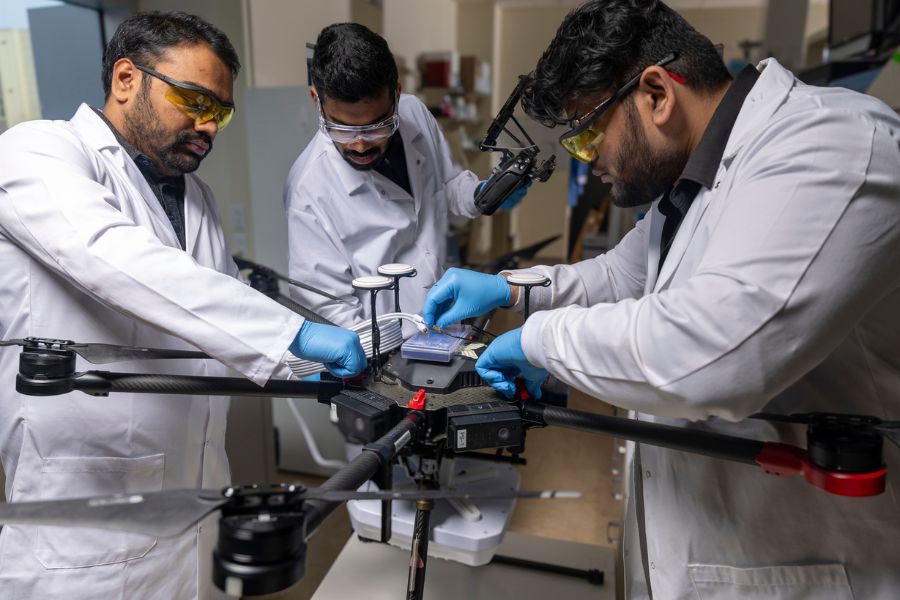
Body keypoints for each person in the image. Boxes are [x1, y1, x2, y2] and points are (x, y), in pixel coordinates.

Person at [421, 1, 900, 598]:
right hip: (697, 534)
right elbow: (619, 278)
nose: (589, 160)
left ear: (656, 94)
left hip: (804, 561)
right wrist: (509, 290)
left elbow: (715, 353)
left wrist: (538, 341)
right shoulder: (692, 182)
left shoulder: (831, 144)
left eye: (588, 134)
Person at [0, 12, 365, 599]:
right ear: (126, 79)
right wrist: (294, 333)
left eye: (219, 110)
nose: (208, 126)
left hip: (195, 495)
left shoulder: (195, 196)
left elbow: (209, 328)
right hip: (88, 515)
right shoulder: (35, 153)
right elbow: (114, 258)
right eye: (193, 99)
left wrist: (327, 370)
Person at [284, 22, 529, 329]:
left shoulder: (414, 112)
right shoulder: (308, 188)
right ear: (316, 100)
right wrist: (380, 361)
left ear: (397, 96)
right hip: (378, 347)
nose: (360, 144)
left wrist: (482, 195)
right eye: (342, 128)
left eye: (377, 126)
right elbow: (329, 309)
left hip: (440, 321)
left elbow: (448, 183)